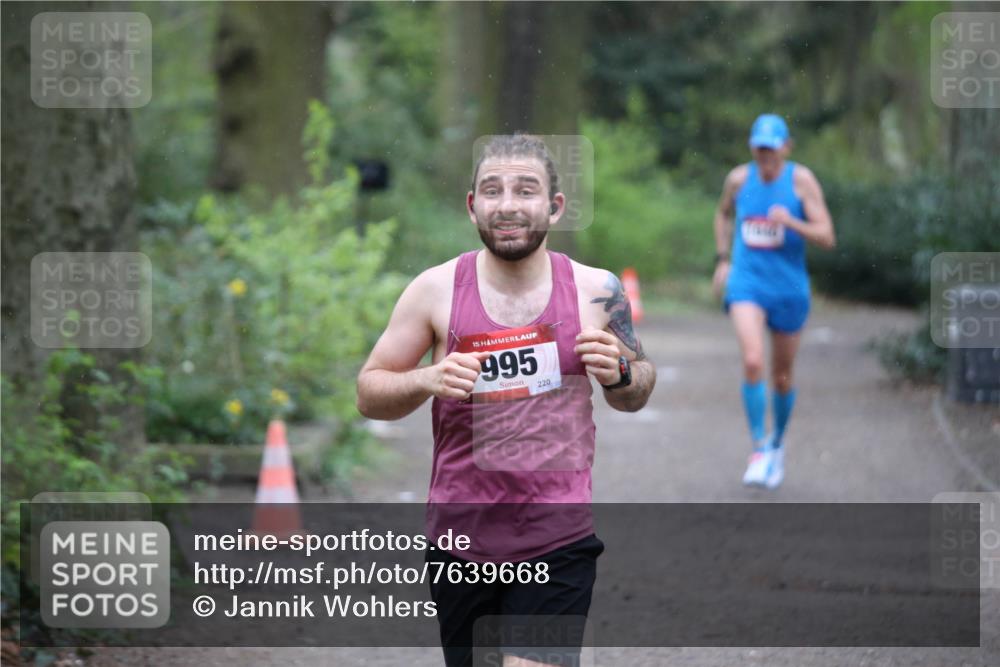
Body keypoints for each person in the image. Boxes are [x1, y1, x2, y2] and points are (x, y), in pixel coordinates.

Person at [356, 134, 656, 667]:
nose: (509, 205)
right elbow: (369, 392)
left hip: (557, 538)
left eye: (526, 190)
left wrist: (621, 372)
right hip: (460, 542)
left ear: (555, 206)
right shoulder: (434, 290)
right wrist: (428, 380)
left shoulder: (597, 291)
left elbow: (637, 391)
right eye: (492, 191)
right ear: (473, 205)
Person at [712, 114, 836, 490]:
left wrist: (792, 223)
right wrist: (723, 259)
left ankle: (778, 444)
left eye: (772, 147)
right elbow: (722, 214)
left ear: (786, 147)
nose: (765, 154)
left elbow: (828, 236)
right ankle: (759, 449)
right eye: (759, 147)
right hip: (747, 283)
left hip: (788, 288)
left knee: (781, 377)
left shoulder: (801, 181)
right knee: (753, 361)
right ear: (753, 146)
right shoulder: (738, 179)